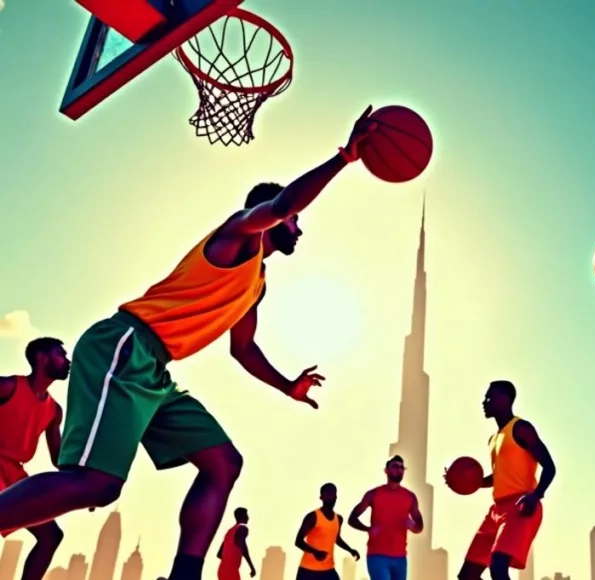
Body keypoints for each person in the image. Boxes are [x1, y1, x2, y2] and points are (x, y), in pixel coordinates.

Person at [0, 107, 378, 580]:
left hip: (156, 371)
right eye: (296, 220)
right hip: (124, 344)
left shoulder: (255, 284)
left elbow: (244, 350)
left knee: (223, 463)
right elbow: (280, 208)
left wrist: (288, 387)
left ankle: (185, 575)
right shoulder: (238, 236)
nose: (298, 228)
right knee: (96, 484)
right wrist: (344, 157)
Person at [447, 380, 555, 580]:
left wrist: (536, 496)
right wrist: (464, 481)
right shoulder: (493, 439)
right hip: (496, 511)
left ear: (505, 400)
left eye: (489, 396)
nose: (484, 401)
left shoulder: (521, 428)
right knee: (467, 576)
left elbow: (549, 466)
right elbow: (498, 477)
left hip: (520, 506)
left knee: (498, 567)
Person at [0, 338, 70, 580]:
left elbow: (58, 458)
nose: (67, 361)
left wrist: (88, 481)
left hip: (14, 476)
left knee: (51, 536)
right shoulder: (8, 386)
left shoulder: (54, 410)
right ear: (42, 358)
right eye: (61, 355)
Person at [348, 455, 424, 580]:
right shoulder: (373, 494)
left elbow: (420, 527)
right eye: (395, 466)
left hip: (400, 557)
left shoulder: (410, 497)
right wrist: (368, 529)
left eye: (401, 467)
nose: (398, 470)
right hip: (377, 555)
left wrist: (413, 526)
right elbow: (352, 519)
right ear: (386, 470)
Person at [296, 483, 360, 580]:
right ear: (321, 497)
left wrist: (350, 550)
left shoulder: (338, 519)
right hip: (308, 571)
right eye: (327, 494)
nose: (331, 496)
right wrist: (315, 552)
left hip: (328, 570)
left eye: (333, 493)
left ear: (336, 497)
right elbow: (298, 541)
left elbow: (337, 539)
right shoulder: (312, 517)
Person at [217, 507, 255, 580]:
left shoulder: (229, 532)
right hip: (231, 570)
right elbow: (243, 547)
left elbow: (219, 554)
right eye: (246, 515)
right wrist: (251, 567)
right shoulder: (242, 528)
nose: (248, 517)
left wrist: (229, 559)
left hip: (222, 570)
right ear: (242, 516)